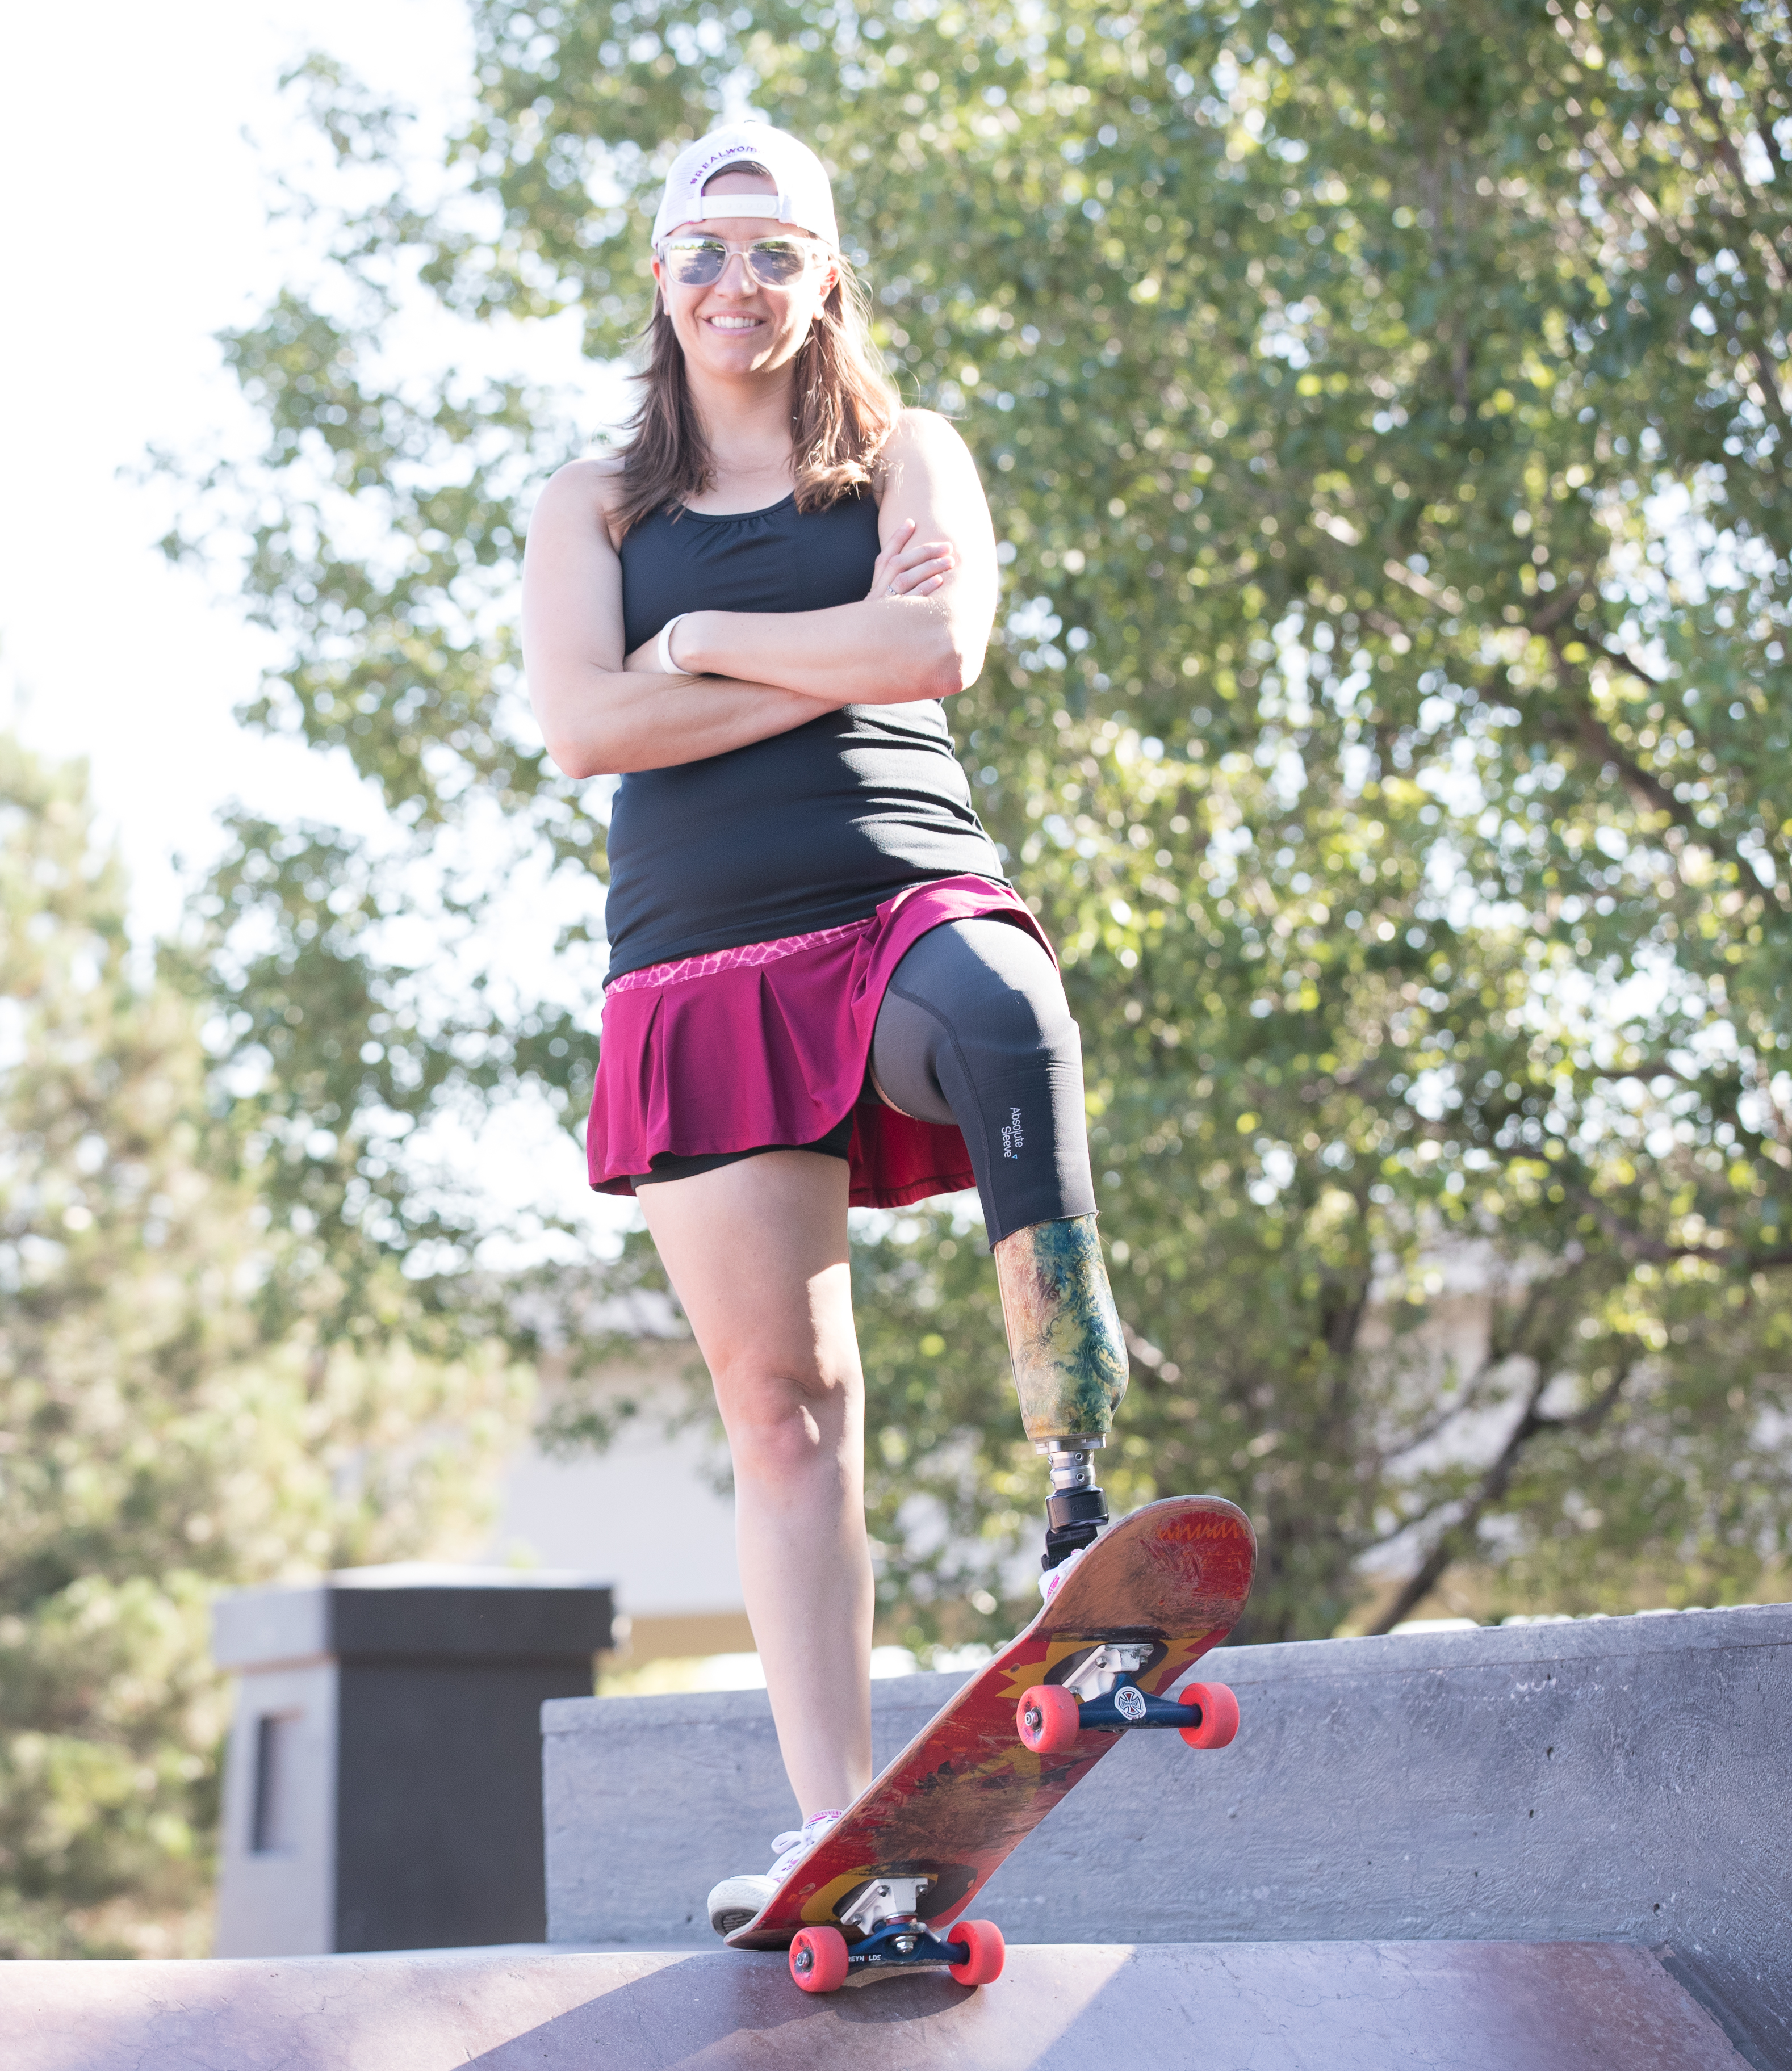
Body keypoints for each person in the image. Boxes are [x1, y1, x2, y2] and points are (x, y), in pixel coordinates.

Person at [517, 120, 1139, 1932]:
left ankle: (1078, 1487)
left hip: (902, 908)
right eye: (706, 254)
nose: (739, 286)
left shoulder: (904, 458)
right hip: (698, 964)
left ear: (827, 278)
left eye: (776, 252)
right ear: (660, 279)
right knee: (788, 1406)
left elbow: (937, 662)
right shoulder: (592, 509)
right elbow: (583, 731)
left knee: (1013, 1002)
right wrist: (818, 648)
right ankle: (830, 1827)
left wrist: (705, 638)